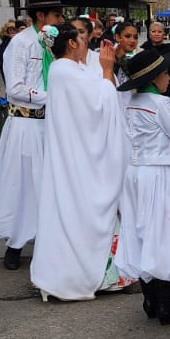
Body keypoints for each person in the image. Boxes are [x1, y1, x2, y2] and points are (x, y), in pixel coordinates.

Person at [30, 24, 129, 301]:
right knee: (81, 209)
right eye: (82, 38)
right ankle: (85, 273)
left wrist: (105, 68)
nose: (86, 43)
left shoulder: (72, 70)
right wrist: (108, 70)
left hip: (82, 151)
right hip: (79, 156)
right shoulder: (63, 70)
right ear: (72, 44)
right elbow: (100, 105)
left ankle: (109, 274)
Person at [114, 49, 170, 325]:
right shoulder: (160, 104)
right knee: (164, 234)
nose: (168, 78)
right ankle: (168, 303)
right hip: (157, 174)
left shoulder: (132, 101)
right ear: (155, 78)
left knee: (141, 232)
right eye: (165, 73)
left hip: (135, 173)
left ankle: (151, 299)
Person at [0, 0, 65, 269]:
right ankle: (15, 243)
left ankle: (49, 239)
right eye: (57, 15)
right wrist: (55, 95)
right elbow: (17, 89)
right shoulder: (19, 44)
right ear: (41, 16)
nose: (61, 20)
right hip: (25, 124)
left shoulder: (55, 43)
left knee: (49, 184)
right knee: (22, 184)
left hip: (50, 124)